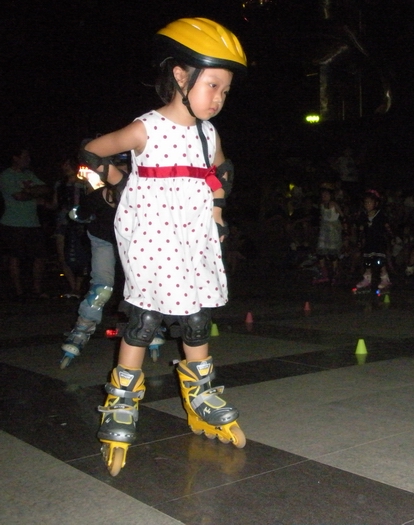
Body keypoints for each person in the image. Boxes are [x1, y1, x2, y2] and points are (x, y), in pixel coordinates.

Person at [79, 17, 247, 475]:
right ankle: (121, 400)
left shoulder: (208, 133)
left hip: (193, 235)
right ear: (180, 76)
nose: (218, 98)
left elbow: (220, 172)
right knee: (146, 317)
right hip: (152, 234)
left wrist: (217, 212)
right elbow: (92, 151)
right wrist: (117, 184)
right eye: (212, 85)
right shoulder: (147, 128)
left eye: (225, 90)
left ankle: (202, 395)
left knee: (197, 316)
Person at [59, 154, 135, 368]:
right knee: (102, 288)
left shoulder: (142, 193)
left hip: (132, 241)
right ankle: (82, 329)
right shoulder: (98, 195)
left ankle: (148, 324)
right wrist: (79, 213)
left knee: (141, 285)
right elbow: (80, 214)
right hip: (104, 240)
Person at [0, 145, 53, 300]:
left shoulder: (29, 174)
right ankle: (19, 292)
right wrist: (33, 194)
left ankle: (37, 289)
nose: (28, 160)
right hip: (13, 222)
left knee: (40, 256)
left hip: (33, 222)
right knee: (15, 257)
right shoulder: (6, 176)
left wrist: (28, 192)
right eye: (25, 157)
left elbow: (45, 188)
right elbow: (18, 196)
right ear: (15, 158)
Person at [52, 158, 90, 298]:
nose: (66, 167)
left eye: (69, 164)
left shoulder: (84, 183)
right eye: (64, 164)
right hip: (63, 221)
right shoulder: (60, 184)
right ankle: (72, 286)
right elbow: (55, 204)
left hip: (81, 221)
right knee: (62, 255)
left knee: (82, 255)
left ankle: (78, 288)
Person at [354, 189, 393, 291]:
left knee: (380, 261)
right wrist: (359, 240)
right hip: (368, 241)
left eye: (370, 202)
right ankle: (367, 279)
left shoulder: (380, 215)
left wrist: (390, 236)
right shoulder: (364, 215)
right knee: (368, 261)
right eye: (366, 202)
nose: (367, 204)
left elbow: (387, 227)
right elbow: (361, 229)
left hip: (379, 241)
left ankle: (385, 279)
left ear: (376, 203)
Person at [312, 185, 344, 284]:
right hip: (324, 231)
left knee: (332, 253)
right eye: (323, 194)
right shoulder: (322, 204)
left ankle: (335, 274)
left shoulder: (333, 204)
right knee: (320, 253)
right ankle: (324, 274)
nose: (324, 196)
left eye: (326, 194)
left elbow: (342, 216)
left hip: (333, 231)